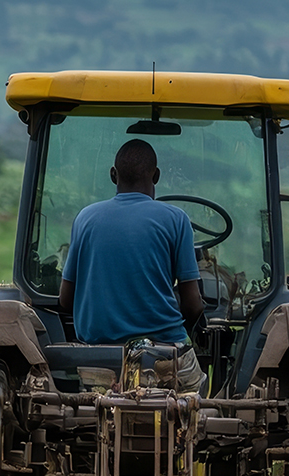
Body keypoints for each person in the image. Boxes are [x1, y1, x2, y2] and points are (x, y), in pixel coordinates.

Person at [58, 138, 206, 390]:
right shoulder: (176, 219)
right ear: (156, 175)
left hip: (98, 358)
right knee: (198, 388)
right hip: (164, 353)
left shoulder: (85, 218)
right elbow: (193, 305)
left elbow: (65, 300)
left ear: (113, 175)